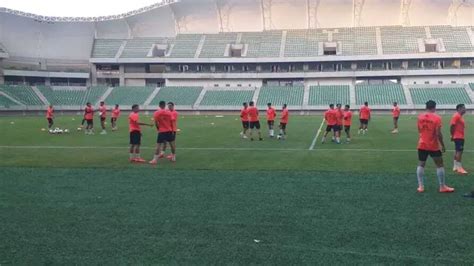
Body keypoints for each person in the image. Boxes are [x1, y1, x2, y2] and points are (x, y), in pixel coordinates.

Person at [416, 100, 454, 193]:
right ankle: (442, 187)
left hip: (422, 144)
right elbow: (438, 133)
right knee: (439, 165)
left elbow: (419, 130)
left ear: (426, 107)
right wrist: (442, 144)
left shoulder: (420, 117)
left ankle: (421, 186)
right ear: (434, 107)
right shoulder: (437, 118)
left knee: (421, 164)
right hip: (433, 145)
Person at [450, 104, 467, 174]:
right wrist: (452, 135)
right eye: (464, 108)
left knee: (457, 151)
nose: (465, 109)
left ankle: (455, 166)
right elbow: (452, 126)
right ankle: (459, 168)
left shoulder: (459, 116)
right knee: (459, 152)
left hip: (459, 136)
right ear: (459, 108)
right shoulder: (456, 116)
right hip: (458, 137)